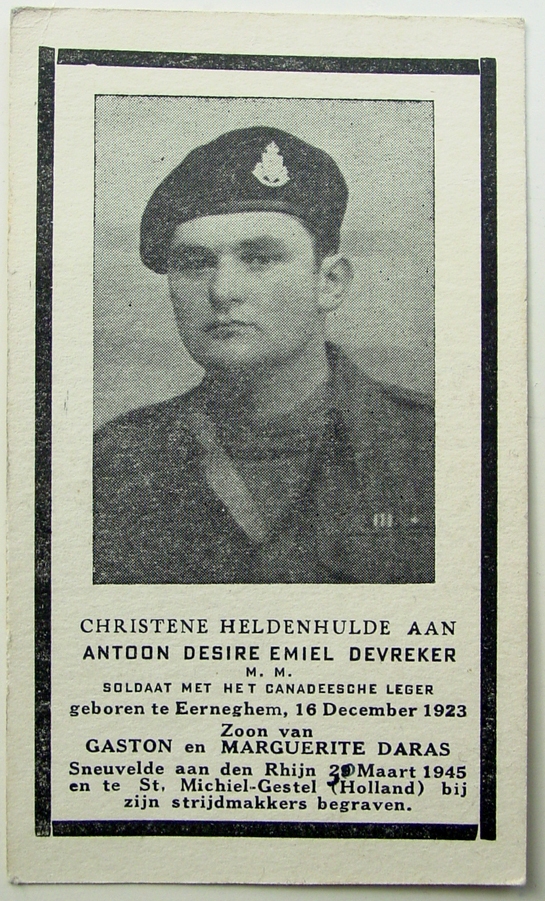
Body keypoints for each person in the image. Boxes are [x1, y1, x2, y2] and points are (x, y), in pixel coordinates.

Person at [94, 125, 434, 584]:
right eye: (195, 264)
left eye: (259, 259)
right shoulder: (114, 462)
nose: (222, 291)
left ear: (329, 284)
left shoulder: (432, 446)